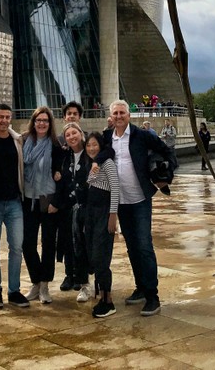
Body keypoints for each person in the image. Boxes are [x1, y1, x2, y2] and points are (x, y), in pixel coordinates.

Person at [103, 99, 176, 317]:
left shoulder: (142, 135)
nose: (119, 116)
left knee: (144, 245)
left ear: (129, 115)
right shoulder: (107, 138)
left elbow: (168, 152)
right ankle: (141, 288)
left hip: (140, 200)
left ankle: (153, 296)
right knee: (132, 247)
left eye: (122, 113)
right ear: (111, 116)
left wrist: (166, 176)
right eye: (115, 113)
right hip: (120, 202)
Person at [0, 103, 30, 310]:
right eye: (0, 117)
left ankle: (14, 290)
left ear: (11, 119)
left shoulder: (17, 140)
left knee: (17, 247)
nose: (3, 120)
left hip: (14, 202)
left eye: (7, 117)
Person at [22, 106, 63, 304]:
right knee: (27, 243)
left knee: (48, 243)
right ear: (33, 121)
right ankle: (36, 281)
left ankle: (45, 284)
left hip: (48, 200)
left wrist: (57, 201)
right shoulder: (24, 142)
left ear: (50, 123)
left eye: (45, 121)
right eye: (39, 120)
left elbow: (62, 174)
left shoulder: (55, 144)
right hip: (28, 199)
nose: (42, 124)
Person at [52, 122, 92, 301]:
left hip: (88, 208)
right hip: (70, 208)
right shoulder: (65, 157)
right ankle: (79, 281)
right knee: (73, 245)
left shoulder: (91, 154)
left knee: (88, 246)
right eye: (68, 135)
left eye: (74, 133)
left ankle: (93, 283)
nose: (72, 137)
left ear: (81, 133)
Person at [84, 132, 119, 318]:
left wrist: (113, 215)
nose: (91, 148)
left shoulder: (107, 164)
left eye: (94, 145)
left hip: (104, 213)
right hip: (92, 214)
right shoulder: (93, 164)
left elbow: (115, 189)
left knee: (102, 256)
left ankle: (108, 299)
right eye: (88, 145)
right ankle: (102, 296)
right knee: (94, 255)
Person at [56, 101, 85, 291]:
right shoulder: (60, 143)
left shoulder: (88, 141)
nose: (72, 116)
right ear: (64, 117)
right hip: (66, 201)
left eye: (75, 113)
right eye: (69, 114)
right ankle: (69, 275)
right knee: (66, 238)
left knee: (80, 239)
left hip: (82, 202)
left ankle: (81, 276)